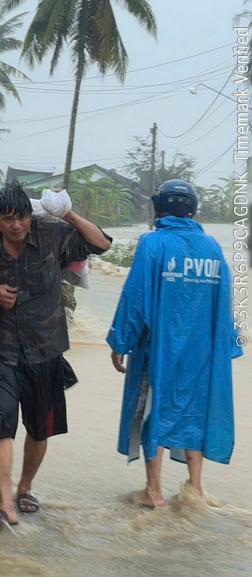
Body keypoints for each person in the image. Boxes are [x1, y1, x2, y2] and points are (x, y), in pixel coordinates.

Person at [0, 182, 112, 529]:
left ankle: (25, 488)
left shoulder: (53, 234)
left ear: (31, 216)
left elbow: (101, 243)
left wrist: (68, 212)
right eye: (7, 219)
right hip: (1, 348)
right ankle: (5, 505)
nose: (15, 226)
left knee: (40, 428)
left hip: (46, 348)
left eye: (21, 218)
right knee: (1, 423)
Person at [107, 179, 242, 508]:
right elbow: (224, 302)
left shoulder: (152, 243)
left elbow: (135, 297)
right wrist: (229, 343)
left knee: (155, 410)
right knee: (194, 414)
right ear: (192, 209)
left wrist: (120, 341)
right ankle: (195, 489)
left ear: (159, 208)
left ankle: (153, 491)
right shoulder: (212, 248)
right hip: (203, 355)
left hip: (161, 350)